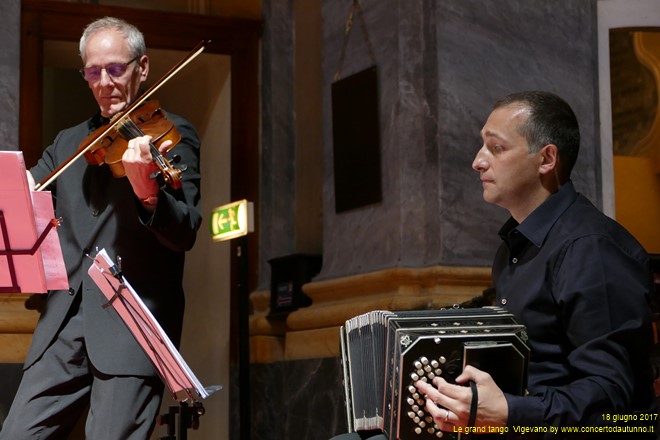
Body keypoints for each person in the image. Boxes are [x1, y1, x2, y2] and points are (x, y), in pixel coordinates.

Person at [0, 16, 201, 440]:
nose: (105, 82)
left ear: (142, 68)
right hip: (62, 324)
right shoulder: (68, 143)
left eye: (116, 69)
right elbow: (29, 190)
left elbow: (185, 231)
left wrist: (149, 193)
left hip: (128, 325)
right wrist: (17, 191)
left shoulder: (172, 134)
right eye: (94, 72)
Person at [415, 91, 658, 437]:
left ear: (546, 159)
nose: (477, 161)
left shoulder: (591, 250)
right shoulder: (515, 246)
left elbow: (611, 403)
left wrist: (509, 412)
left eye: (496, 148)